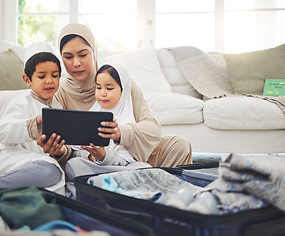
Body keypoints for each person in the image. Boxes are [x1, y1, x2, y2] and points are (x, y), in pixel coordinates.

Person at [37, 23, 192, 172]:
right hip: (89, 162)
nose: (76, 63)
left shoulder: (119, 81)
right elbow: (67, 148)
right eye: (68, 57)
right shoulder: (59, 93)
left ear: (94, 52)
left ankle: (159, 189)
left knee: (179, 145)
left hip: (130, 156)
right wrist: (63, 151)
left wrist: (120, 133)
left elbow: (153, 129)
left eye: (83, 55)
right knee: (75, 165)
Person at [0, 43, 68, 194]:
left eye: (55, 76)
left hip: (35, 162)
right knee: (50, 170)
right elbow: (3, 133)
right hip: (8, 157)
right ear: (27, 80)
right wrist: (34, 124)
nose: (49, 80)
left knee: (56, 171)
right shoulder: (20, 102)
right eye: (42, 76)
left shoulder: (58, 107)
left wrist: (57, 150)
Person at [66, 63, 152, 178]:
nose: (102, 93)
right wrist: (93, 156)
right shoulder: (92, 115)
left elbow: (126, 160)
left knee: (143, 168)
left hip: (119, 169)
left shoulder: (128, 124)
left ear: (123, 90)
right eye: (98, 87)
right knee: (74, 164)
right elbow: (78, 150)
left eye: (109, 88)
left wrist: (104, 156)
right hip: (95, 167)